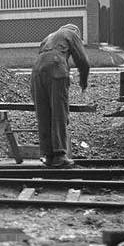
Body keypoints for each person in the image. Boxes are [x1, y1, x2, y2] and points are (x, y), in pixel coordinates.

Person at [30, 23, 90, 168]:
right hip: (56, 68)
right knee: (59, 112)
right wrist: (83, 82)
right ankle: (59, 155)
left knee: (43, 113)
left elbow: (43, 57)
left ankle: (48, 154)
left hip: (36, 71)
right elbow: (83, 61)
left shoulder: (49, 37)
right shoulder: (72, 34)